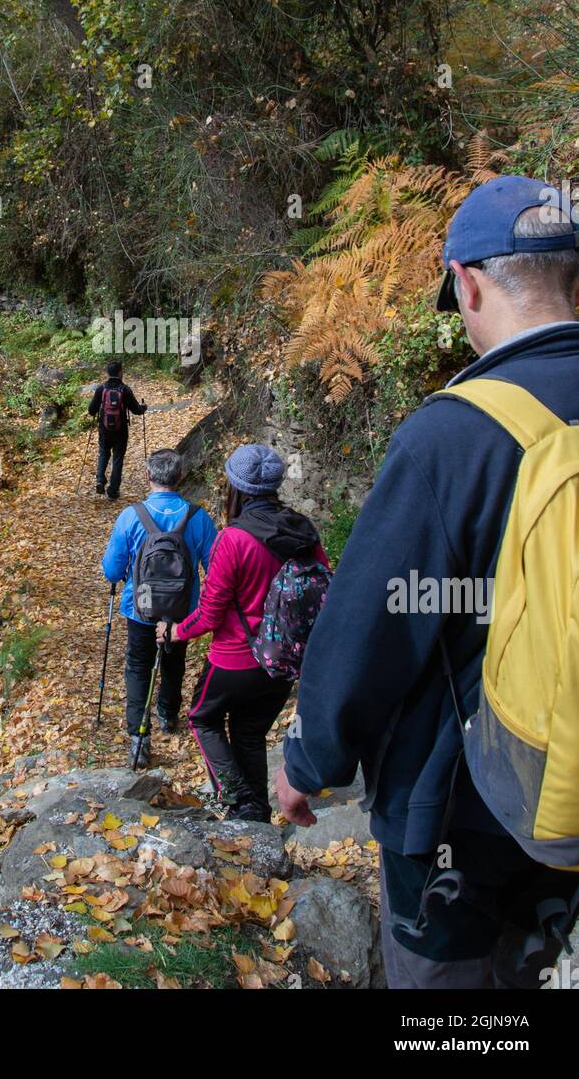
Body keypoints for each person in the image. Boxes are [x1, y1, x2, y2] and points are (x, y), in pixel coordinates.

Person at [275, 174, 579, 988]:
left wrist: (309, 762)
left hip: (465, 811)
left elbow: (369, 630)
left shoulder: (455, 437)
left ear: (468, 282)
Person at [158, 443, 329, 823]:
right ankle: (256, 816)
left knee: (203, 718)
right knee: (249, 733)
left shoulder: (233, 540)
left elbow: (210, 613)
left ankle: (237, 800)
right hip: (283, 664)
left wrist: (174, 632)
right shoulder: (304, 532)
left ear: (235, 487)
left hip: (235, 659)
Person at [101, 448, 216, 768]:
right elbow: (215, 567)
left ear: (149, 477)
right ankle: (168, 713)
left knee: (138, 666)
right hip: (182, 610)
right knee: (173, 661)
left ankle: (140, 737)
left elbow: (111, 571)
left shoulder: (130, 516)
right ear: (179, 478)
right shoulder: (198, 518)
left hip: (141, 607)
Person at [87, 361, 147, 501]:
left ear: (107, 373)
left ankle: (100, 480)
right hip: (121, 430)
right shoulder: (124, 389)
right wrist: (143, 407)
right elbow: (136, 410)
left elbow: (91, 411)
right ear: (120, 372)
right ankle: (113, 491)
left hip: (104, 429)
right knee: (117, 458)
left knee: (103, 453)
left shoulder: (101, 389)